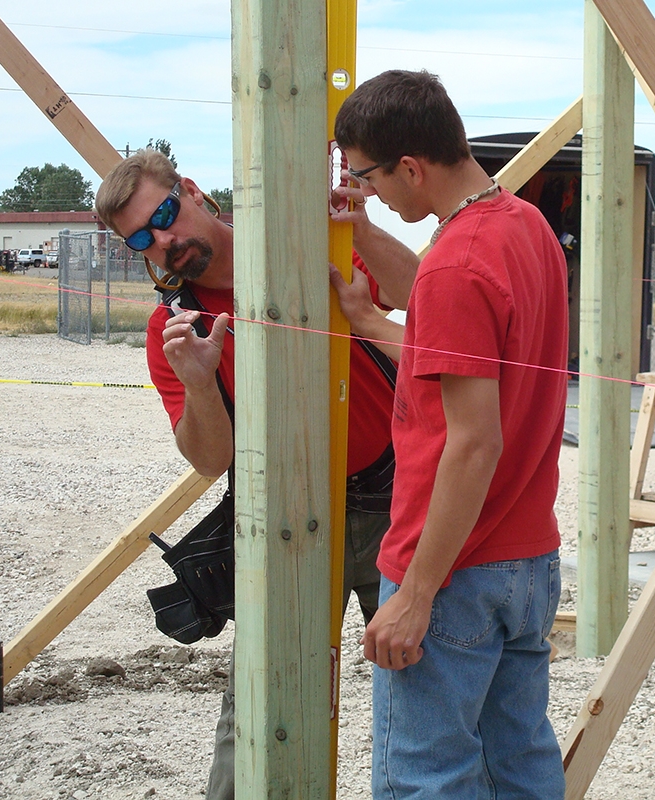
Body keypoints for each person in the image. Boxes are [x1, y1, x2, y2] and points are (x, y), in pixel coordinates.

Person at [94, 148, 400, 800]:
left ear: (196, 193)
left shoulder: (313, 247)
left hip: (391, 507)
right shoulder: (171, 329)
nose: (166, 242)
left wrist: (362, 230)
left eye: (167, 216)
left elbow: (409, 290)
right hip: (285, 520)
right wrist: (199, 384)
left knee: (425, 698)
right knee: (259, 724)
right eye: (144, 239)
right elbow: (209, 459)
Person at [330, 69, 568, 799]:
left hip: (455, 567)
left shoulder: (459, 263)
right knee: (517, 768)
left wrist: (416, 594)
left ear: (411, 166)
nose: (367, 192)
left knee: (427, 778)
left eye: (367, 177)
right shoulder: (521, 226)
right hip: (526, 563)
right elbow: (456, 342)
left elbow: (474, 442)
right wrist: (371, 311)